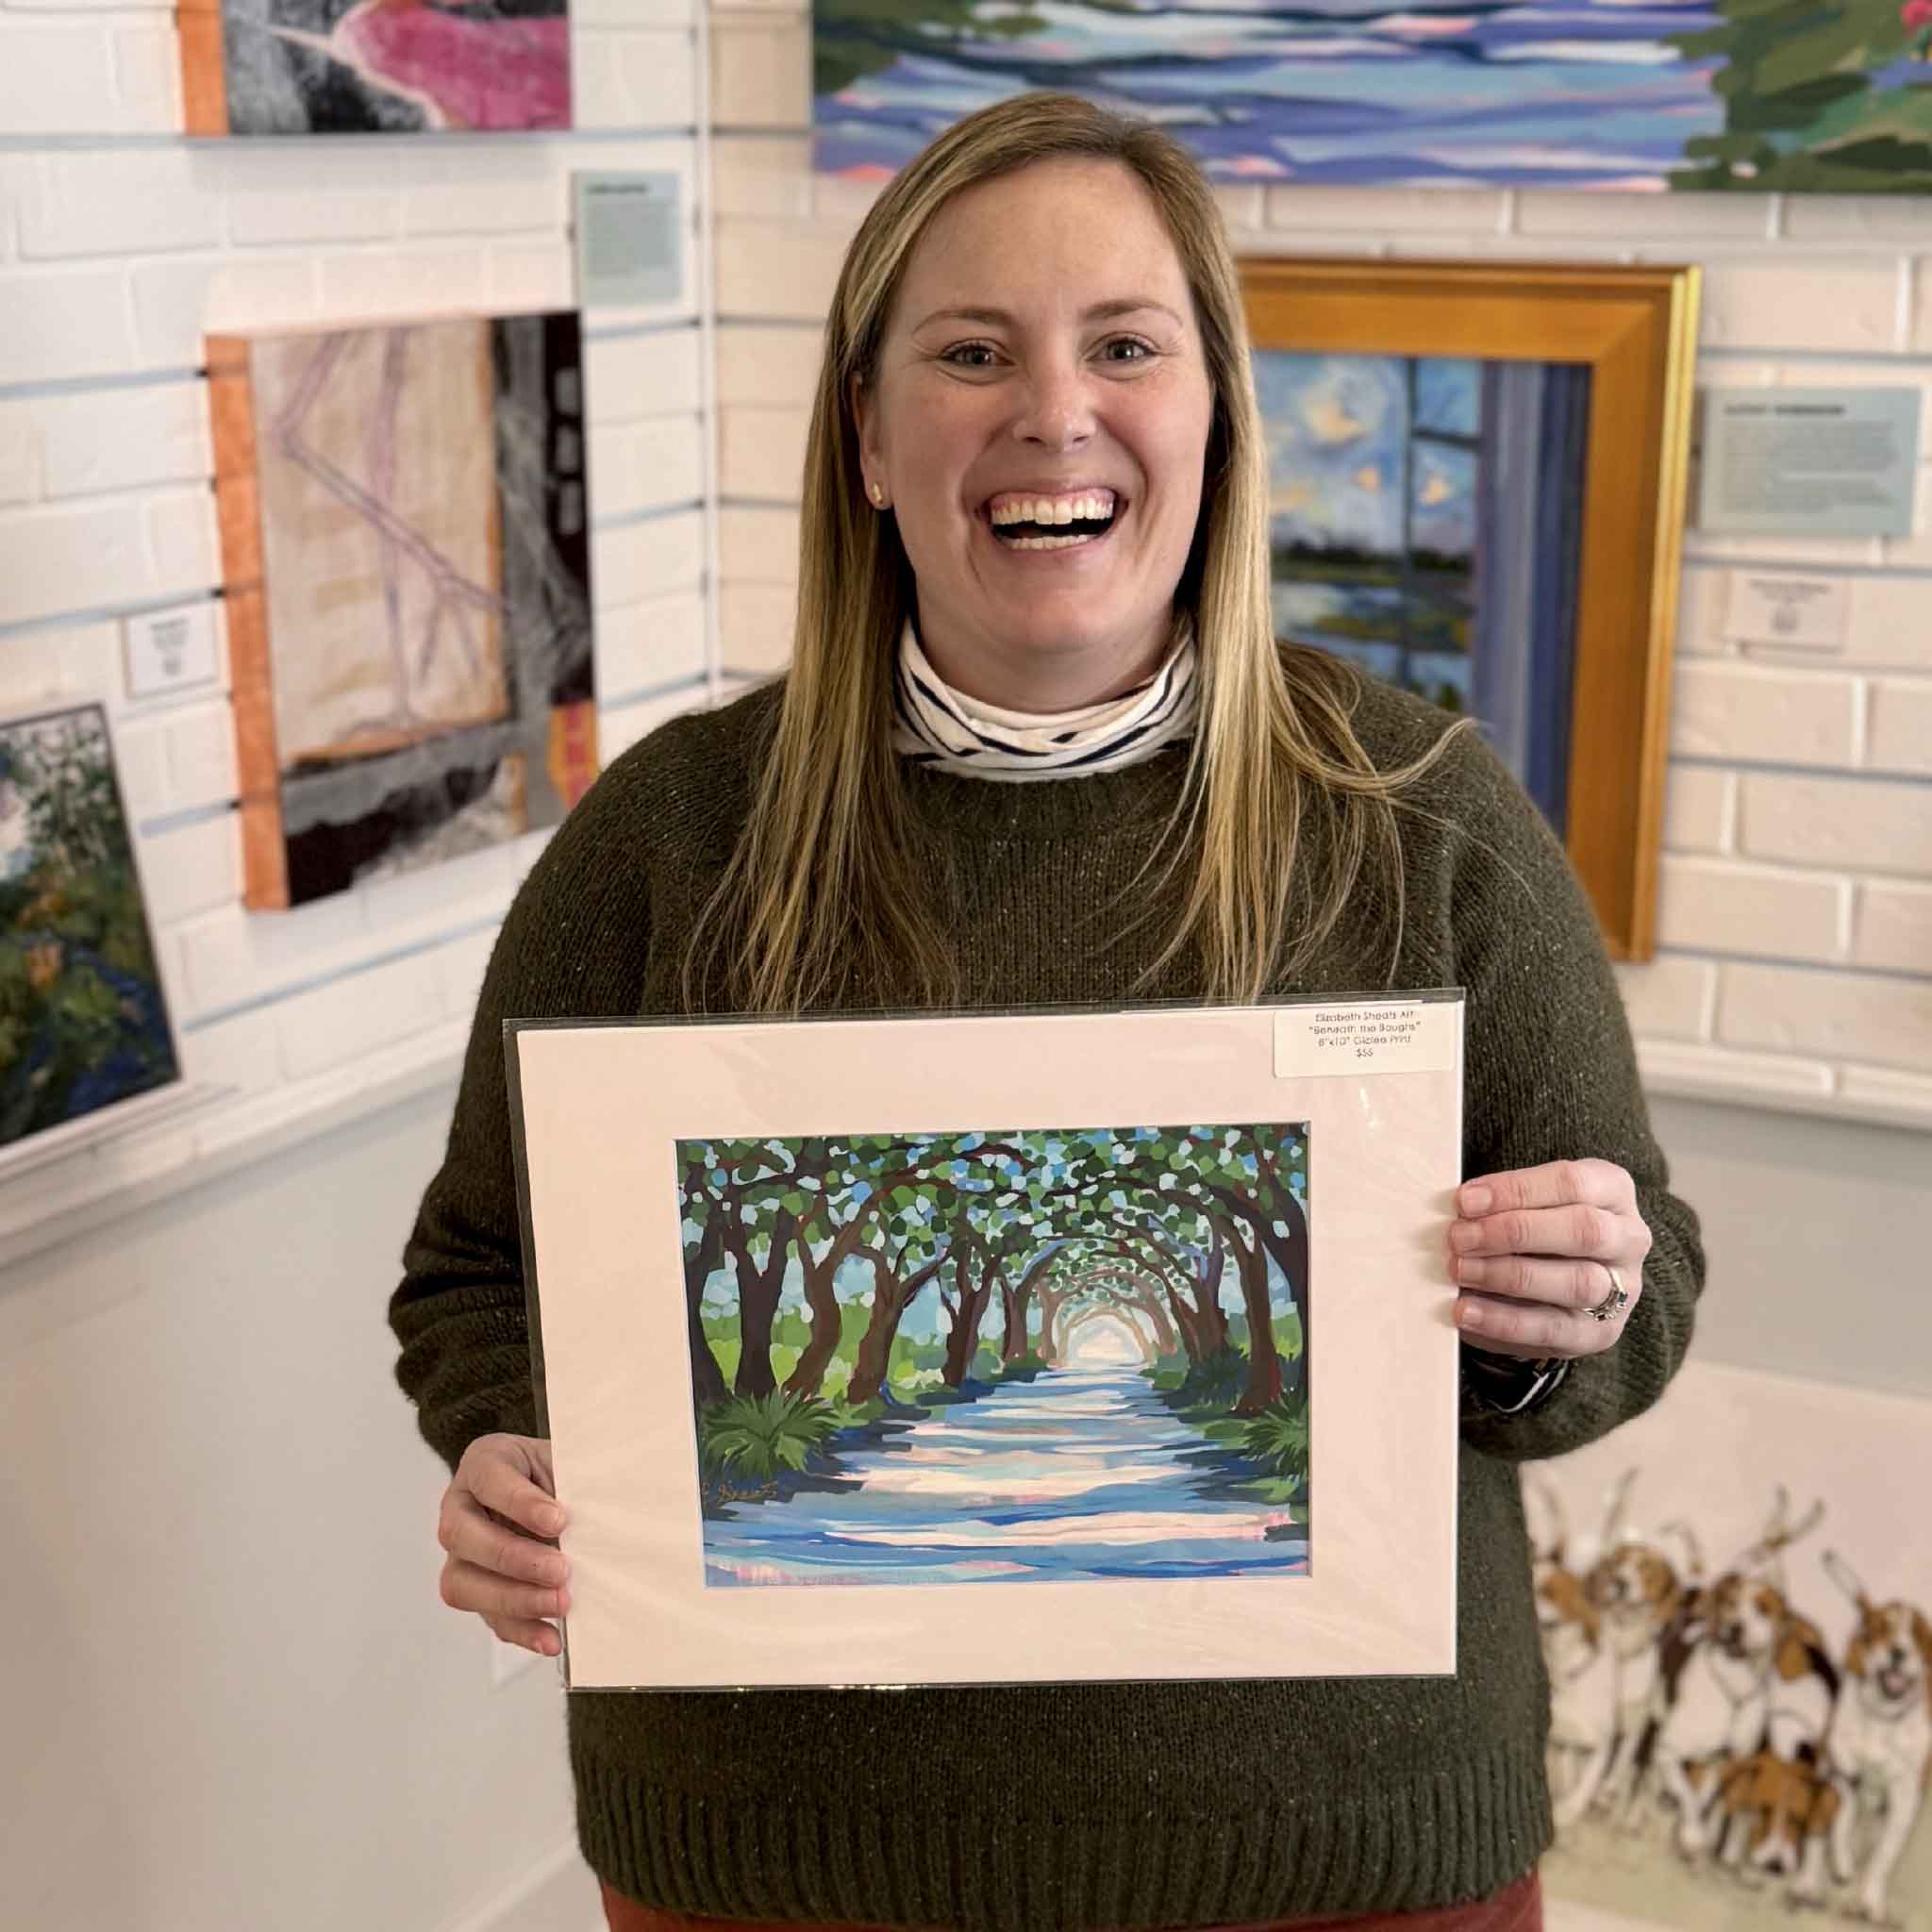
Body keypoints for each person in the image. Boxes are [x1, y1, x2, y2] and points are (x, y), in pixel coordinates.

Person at [391, 91, 1704, 1932]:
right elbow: (474, 1267)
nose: (1053, 412)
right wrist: (514, 1442)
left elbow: (1639, 1308)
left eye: (1123, 345)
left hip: (1339, 1865)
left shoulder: (1420, 817)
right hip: (781, 1866)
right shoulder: (668, 841)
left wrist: (1557, 1303)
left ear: (1215, 414)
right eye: (971, 350)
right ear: (865, 433)